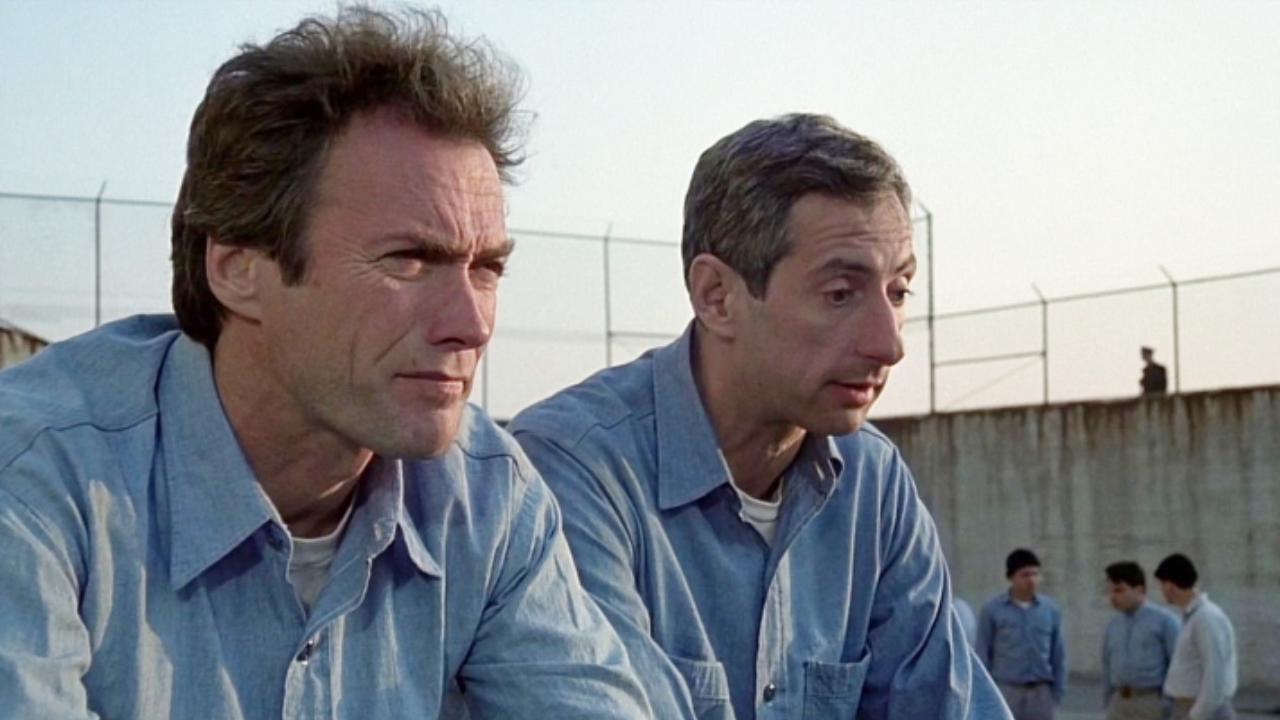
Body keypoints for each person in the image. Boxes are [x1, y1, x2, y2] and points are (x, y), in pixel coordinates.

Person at [0, 9, 652, 719]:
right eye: (409, 260)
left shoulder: (487, 495)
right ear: (238, 270)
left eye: (486, 269)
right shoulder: (35, 477)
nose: (470, 325)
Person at [510, 113, 1011, 719]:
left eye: (898, 292)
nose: (889, 344)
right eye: (840, 294)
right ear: (717, 296)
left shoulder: (873, 483)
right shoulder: (573, 468)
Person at [976, 549, 1067, 720]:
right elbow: (983, 653)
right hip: (1007, 690)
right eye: (1025, 575)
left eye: (1035, 574)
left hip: (1040, 691)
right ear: (1011, 577)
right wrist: (983, 692)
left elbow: (1058, 653)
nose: (1031, 580)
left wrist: (1057, 691)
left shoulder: (1050, 610)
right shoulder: (993, 610)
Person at [1155, 554, 1238, 720]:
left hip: (1202, 710)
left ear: (1170, 585)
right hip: (1188, 707)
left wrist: (1196, 715)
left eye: (1162, 584)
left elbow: (1215, 674)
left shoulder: (1206, 618)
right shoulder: (1194, 617)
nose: (1161, 590)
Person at [1101, 561, 1181, 720]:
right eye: (1110, 591)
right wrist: (1108, 700)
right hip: (1119, 702)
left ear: (1140, 589)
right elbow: (1107, 664)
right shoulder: (1113, 625)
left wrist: (1168, 703)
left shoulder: (1165, 621)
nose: (1113, 597)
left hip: (1150, 701)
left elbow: (1177, 664)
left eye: (1119, 590)